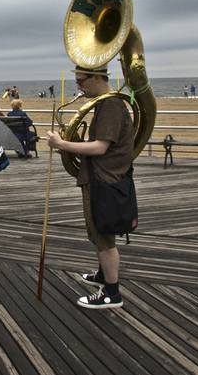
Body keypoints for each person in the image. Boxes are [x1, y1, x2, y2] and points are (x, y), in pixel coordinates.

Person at [46, 64, 133, 309]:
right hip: (100, 177)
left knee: (103, 236)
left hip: (105, 180)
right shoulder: (106, 104)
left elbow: (100, 147)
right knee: (97, 232)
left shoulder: (111, 105)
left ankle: (111, 293)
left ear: (96, 77)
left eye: (81, 81)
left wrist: (62, 144)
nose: (79, 86)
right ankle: (103, 275)